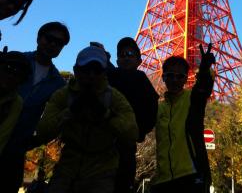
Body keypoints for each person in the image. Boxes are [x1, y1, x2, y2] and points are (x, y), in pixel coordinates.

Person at [34, 45, 139, 193]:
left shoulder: (114, 98)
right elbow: (43, 132)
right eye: (86, 69)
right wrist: (69, 112)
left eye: (96, 70)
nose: (91, 75)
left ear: (104, 73)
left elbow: (132, 133)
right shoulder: (63, 95)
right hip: (67, 167)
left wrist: (106, 114)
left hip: (102, 170)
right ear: (76, 70)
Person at [0, 21, 70, 193]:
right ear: (39, 38)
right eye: (49, 39)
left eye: (59, 43)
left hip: (16, 148)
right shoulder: (16, 61)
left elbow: (56, 118)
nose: (53, 44)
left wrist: (37, 140)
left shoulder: (58, 83)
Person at [151, 44, 215, 193]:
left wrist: (204, 70)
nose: (174, 80)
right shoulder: (159, 108)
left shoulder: (192, 99)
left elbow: (203, 87)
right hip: (163, 179)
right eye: (170, 75)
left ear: (186, 79)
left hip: (191, 176)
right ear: (163, 77)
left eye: (180, 76)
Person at [108, 37, 159, 193]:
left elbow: (152, 110)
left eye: (130, 54)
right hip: (102, 141)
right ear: (117, 60)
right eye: (122, 55)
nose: (126, 57)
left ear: (139, 60)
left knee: (121, 183)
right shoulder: (109, 76)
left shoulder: (141, 80)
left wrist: (138, 131)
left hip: (125, 145)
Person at [0, 51, 32, 154]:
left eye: (18, 74)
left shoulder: (16, 102)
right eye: (8, 69)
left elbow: (2, 137)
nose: (11, 76)